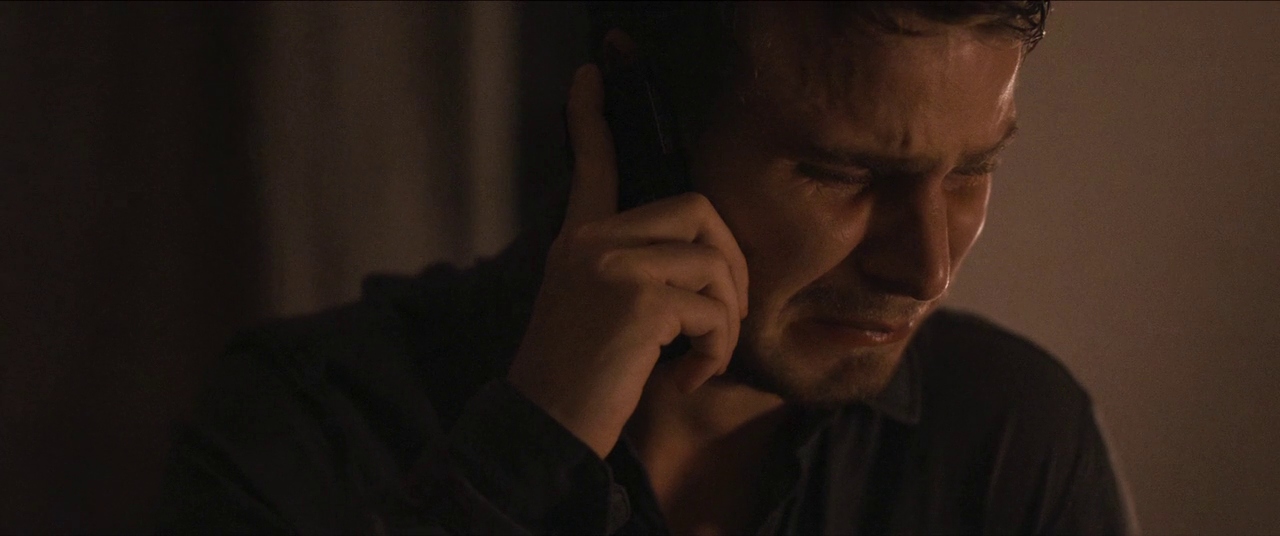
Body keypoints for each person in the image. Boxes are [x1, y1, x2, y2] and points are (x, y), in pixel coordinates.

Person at [157, 2, 1136, 534]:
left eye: (971, 171)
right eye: (840, 175)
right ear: (643, 122)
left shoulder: (1009, 438)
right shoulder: (309, 417)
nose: (926, 267)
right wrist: (526, 446)